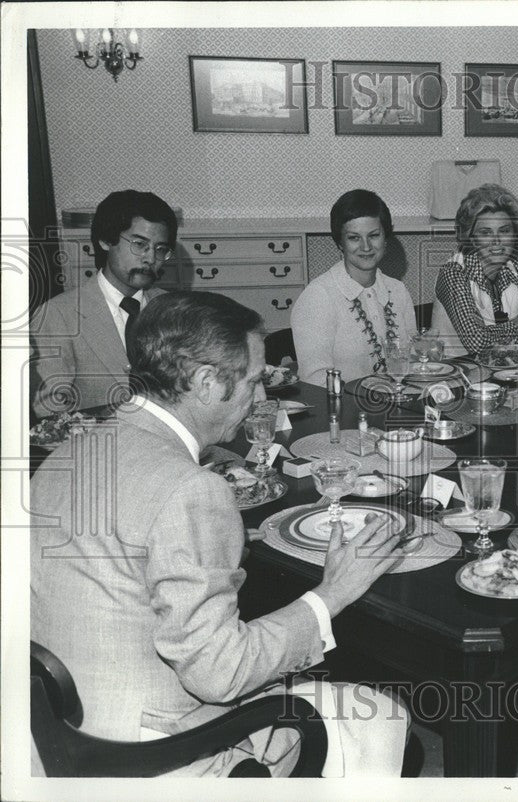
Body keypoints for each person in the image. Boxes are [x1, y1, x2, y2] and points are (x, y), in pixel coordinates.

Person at [31, 291, 408, 776]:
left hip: (56, 732)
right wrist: (332, 593)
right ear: (207, 382)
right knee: (379, 712)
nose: (261, 398)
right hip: (147, 757)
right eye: (253, 382)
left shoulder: (68, 451)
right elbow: (220, 675)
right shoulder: (191, 490)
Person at [30, 190, 177, 418]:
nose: (150, 258)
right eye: (139, 244)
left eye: (161, 249)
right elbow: (49, 412)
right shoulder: (58, 315)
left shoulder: (173, 309)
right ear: (106, 241)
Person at [291, 190, 418, 384]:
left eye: (374, 235)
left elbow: (413, 360)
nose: (366, 247)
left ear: (386, 238)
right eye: (354, 238)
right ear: (340, 242)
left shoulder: (398, 290)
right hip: (344, 410)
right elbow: (314, 379)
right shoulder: (318, 296)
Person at [432, 184, 518, 356]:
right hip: (459, 375)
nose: (496, 241)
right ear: (470, 238)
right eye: (485, 233)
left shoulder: (517, 267)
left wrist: (492, 331)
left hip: (505, 371)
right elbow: (477, 343)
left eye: (505, 231)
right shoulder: (454, 273)